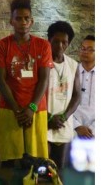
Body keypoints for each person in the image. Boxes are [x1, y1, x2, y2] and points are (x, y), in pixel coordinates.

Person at [0, 0, 53, 167]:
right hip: (10, 109)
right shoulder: (1, 46)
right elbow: (1, 82)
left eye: (26, 18)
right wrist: (18, 110)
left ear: (32, 21)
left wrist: (31, 108)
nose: (22, 22)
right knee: (9, 161)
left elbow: (44, 79)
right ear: (11, 21)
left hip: (37, 109)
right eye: (18, 18)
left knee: (36, 163)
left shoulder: (43, 45)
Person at [46, 21, 81, 168]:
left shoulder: (73, 65)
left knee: (59, 170)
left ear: (69, 43)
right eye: (56, 41)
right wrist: (49, 118)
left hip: (64, 125)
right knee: (42, 169)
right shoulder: (41, 63)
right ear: (49, 40)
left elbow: (77, 96)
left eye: (64, 42)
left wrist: (63, 117)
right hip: (44, 124)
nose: (60, 46)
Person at [73, 35, 95, 139]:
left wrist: (93, 129)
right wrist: (76, 126)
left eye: (90, 49)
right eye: (83, 48)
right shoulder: (71, 72)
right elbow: (63, 103)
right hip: (71, 129)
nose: (85, 52)